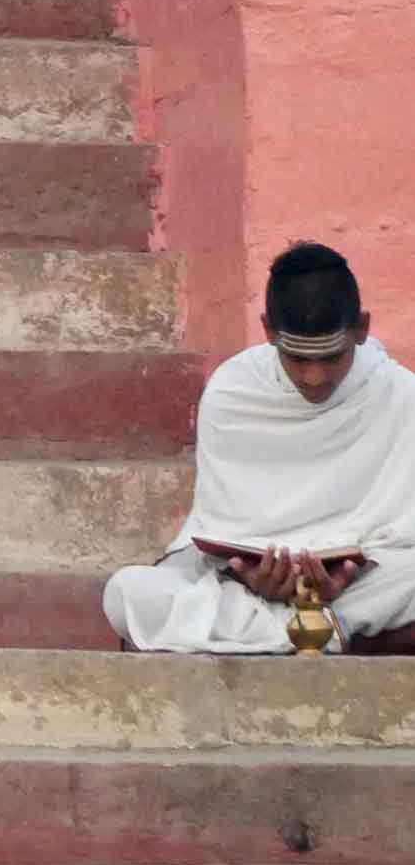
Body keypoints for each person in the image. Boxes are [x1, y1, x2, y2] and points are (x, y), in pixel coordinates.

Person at [104, 243, 415, 654]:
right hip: (245, 591)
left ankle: (290, 631)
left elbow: (402, 534)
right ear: (269, 331)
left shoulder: (400, 393)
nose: (316, 377)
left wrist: (349, 576)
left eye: (331, 357)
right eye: (297, 358)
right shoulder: (233, 391)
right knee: (129, 591)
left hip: (358, 588)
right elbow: (218, 528)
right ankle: (317, 631)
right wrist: (247, 577)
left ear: (361, 328)